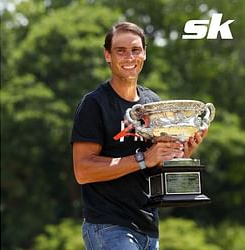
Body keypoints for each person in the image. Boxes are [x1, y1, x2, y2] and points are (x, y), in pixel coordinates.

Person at [70, 22, 207, 250]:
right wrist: (144, 158)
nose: (129, 57)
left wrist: (183, 150)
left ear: (144, 53)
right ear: (107, 55)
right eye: (120, 51)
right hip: (108, 225)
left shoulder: (152, 103)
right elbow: (82, 171)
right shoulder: (94, 104)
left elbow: (156, 164)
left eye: (135, 50)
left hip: (149, 227)